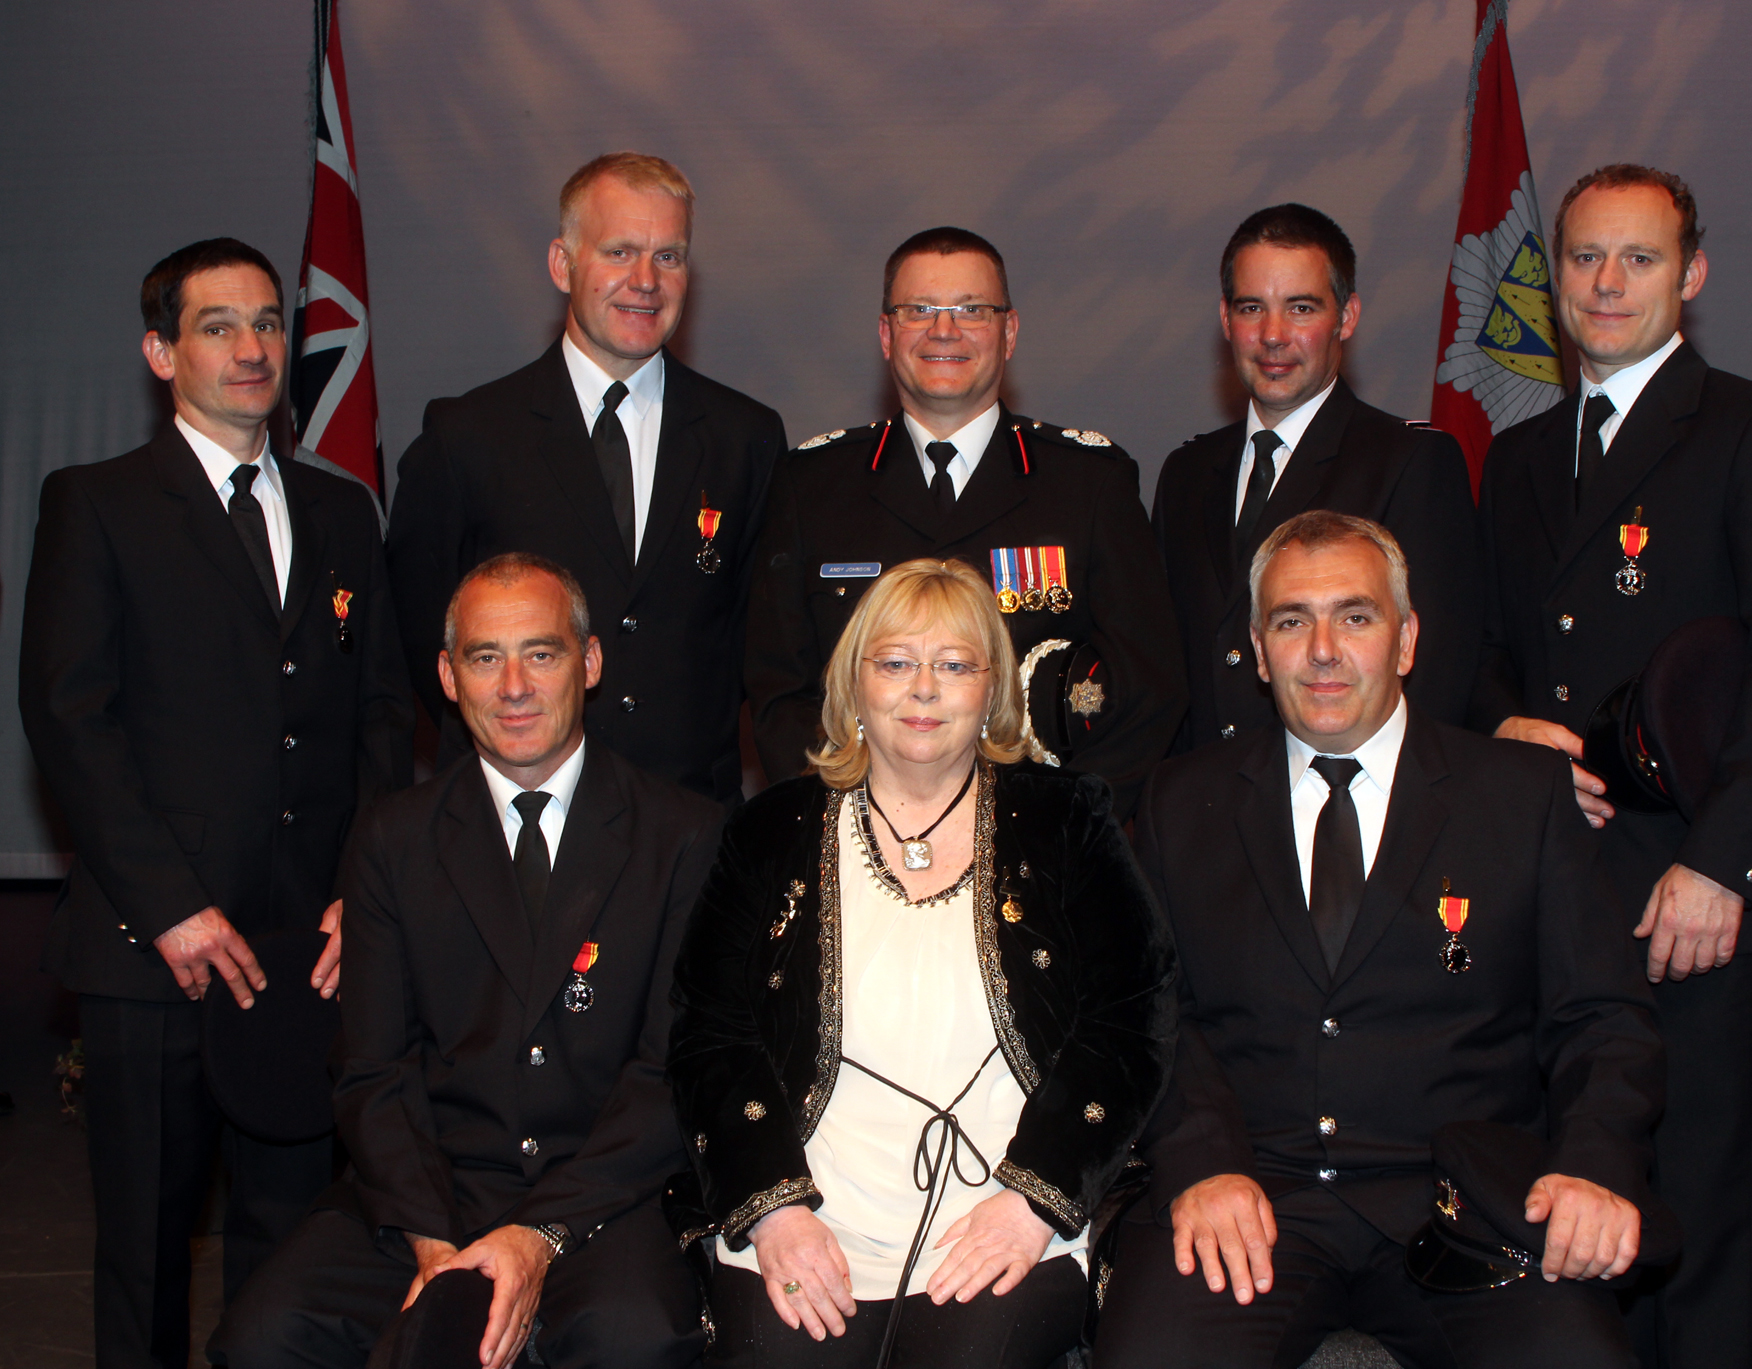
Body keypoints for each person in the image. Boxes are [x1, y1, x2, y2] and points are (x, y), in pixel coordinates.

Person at [1094, 511, 1664, 1369]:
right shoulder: (1180, 802)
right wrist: (1201, 1162)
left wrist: (1591, 1163)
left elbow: (1605, 1018)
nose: (1322, 648)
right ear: (1256, 646)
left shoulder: (1520, 796)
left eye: (1355, 616)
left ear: (1405, 640)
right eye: (1291, 620)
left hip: (1463, 1204)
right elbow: (1145, 1011)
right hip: (1253, 1197)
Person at [17, 238, 415, 1369]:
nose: (253, 348)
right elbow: (69, 719)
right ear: (160, 352)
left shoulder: (344, 515)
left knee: (290, 1248)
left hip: (306, 951)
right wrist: (171, 905)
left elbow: (386, 718)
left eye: (268, 324)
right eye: (218, 326)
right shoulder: (97, 504)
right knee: (143, 1244)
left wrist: (360, 896)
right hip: (157, 947)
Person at [1470, 164, 1752, 1369]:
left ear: (1690, 273)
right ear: (1553, 277)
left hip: (1689, 888)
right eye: (1584, 258)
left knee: (1702, 1213)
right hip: (1553, 887)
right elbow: (1478, 656)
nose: (1608, 282)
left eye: (1638, 258)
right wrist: (1508, 725)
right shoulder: (1521, 457)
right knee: (1575, 1203)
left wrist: (1721, 861)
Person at [215, 554, 722, 1369]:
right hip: (430, 1193)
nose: (514, 684)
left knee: (635, 1337)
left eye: (542, 652)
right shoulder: (392, 837)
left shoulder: (684, 836)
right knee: (266, 1334)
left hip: (603, 1200)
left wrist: (536, 1234)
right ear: (448, 677)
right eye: (485, 657)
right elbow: (372, 1068)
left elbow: (670, 1074)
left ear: (589, 662)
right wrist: (432, 1243)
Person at [673, 558, 1176, 1368]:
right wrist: (774, 1212)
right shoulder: (770, 829)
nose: (923, 688)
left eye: (953, 665)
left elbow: (1131, 1016)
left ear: (992, 689)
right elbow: (709, 1031)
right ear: (853, 682)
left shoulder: (1065, 819)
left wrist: (1035, 1199)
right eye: (896, 661)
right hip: (808, 1202)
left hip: (1006, 1204)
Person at [388, 151, 787, 803]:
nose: (645, 281)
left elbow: (764, 642)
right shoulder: (467, 436)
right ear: (561, 263)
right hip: (512, 818)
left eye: (669, 256)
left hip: (690, 824)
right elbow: (419, 631)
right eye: (619, 251)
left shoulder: (745, 437)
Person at [744, 227, 1185, 818]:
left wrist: (1063, 828)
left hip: (1039, 848)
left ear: (1009, 332)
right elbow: (779, 689)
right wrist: (851, 819)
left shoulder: (1089, 484)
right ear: (885, 333)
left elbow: (1149, 687)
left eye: (971, 310)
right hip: (857, 839)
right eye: (918, 310)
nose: (943, 330)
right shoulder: (812, 484)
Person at [1154, 204, 1482, 752]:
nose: (1273, 335)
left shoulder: (1410, 462)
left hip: (1343, 804)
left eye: (1301, 308)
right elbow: (1165, 665)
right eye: (1251, 307)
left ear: (1347, 316)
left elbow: (1438, 675)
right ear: (1225, 319)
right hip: (1203, 807)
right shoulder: (1186, 473)